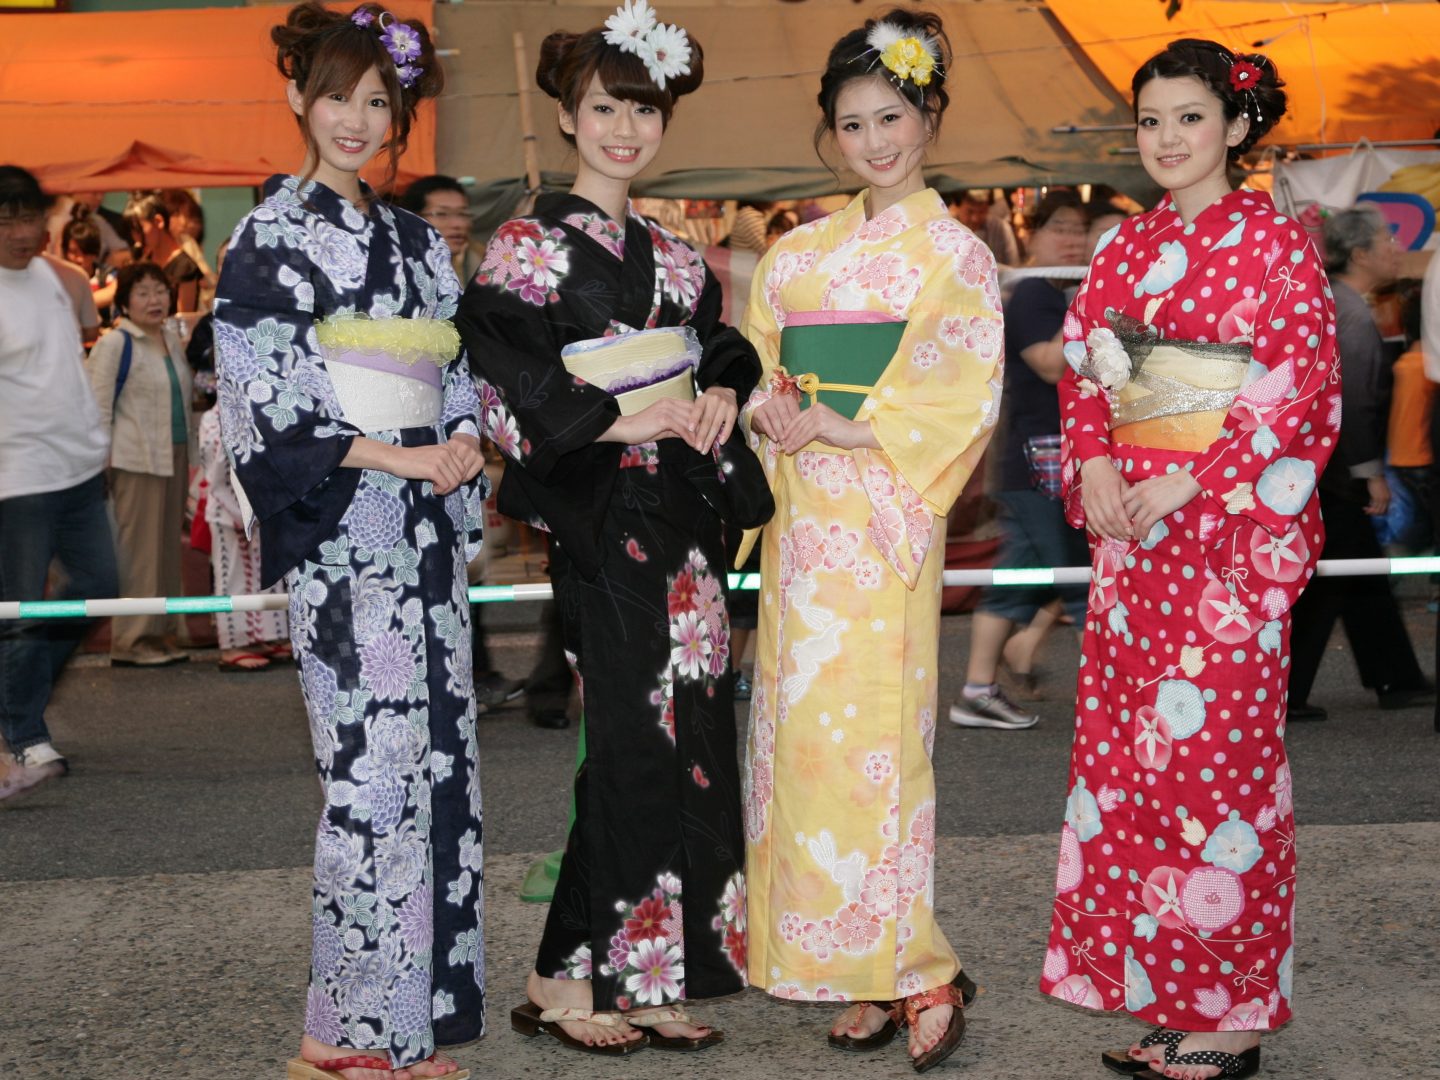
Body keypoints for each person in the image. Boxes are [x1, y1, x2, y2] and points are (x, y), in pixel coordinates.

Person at [456, 1, 772, 1055]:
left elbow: (719, 347)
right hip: (604, 521)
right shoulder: (525, 248)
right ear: (570, 114)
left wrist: (723, 393)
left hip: (684, 521)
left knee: (690, 742)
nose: (625, 131)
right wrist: (616, 416)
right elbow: (501, 378)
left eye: (643, 111)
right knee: (636, 743)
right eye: (605, 108)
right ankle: (605, 973)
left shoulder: (677, 256)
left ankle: (592, 974)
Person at [1040, 39, 1338, 1080]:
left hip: (1223, 555)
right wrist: (1097, 470)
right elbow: (1085, 377)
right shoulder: (1123, 251)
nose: (1166, 139)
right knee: (1141, 777)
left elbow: (1297, 387)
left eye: (1190, 118)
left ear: (1238, 127)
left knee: (1224, 779)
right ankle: (1176, 997)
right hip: (1136, 553)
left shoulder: (1278, 245)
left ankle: (1236, 1013)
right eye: (1151, 121)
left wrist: (1196, 478)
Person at [213, 4, 485, 1076]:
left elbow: (455, 362)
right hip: (347, 539)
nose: (357, 120)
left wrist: (459, 430)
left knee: (433, 773)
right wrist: (402, 453)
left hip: (425, 540)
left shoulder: (417, 239)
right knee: (369, 782)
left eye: (379, 102)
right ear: (297, 98)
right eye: (338, 96)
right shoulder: (266, 238)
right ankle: (339, 1034)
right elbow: (265, 401)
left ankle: (397, 1029)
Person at [740, 10, 1001, 1072]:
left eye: (891, 117)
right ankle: (858, 970)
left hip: (883, 531)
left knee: (884, 759)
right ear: (830, 137)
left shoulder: (956, 253)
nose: (874, 142)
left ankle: (920, 969)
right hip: (805, 526)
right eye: (851, 126)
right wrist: (770, 410)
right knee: (801, 760)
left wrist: (856, 422)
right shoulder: (798, 251)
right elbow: (757, 362)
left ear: (929, 113)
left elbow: (960, 389)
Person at [949, 190, 1090, 730]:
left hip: (1038, 465)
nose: (1072, 239)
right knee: (1080, 581)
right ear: (1034, 235)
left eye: (1078, 229)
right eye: (1060, 227)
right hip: (1039, 465)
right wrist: (1092, 303)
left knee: (1014, 584)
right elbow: (1052, 364)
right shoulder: (1035, 293)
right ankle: (1114, 699)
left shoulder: (1054, 293)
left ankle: (977, 692)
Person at [0, 165, 117, 803]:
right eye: (6, 221)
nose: (23, 232)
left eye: (29, 217)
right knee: (22, 610)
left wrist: (95, 444)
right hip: (16, 476)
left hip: (76, 467)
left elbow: (65, 370)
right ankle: (24, 732)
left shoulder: (48, 275)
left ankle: (13, 699)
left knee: (101, 588)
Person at [1286, 207, 1431, 719]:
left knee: (1355, 573)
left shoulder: (1341, 303)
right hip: (1334, 469)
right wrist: (1369, 474)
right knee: (1330, 577)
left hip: (1324, 466)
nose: (1396, 249)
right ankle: (1287, 692)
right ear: (1362, 253)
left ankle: (1396, 677)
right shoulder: (1347, 312)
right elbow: (1349, 404)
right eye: (1387, 240)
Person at [86, 263, 194, 669]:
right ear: (125, 302)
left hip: (175, 454)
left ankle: (164, 633)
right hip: (136, 460)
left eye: (160, 291)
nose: (155, 300)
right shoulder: (116, 343)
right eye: (143, 293)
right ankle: (133, 640)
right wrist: (99, 462)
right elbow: (97, 407)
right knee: (140, 553)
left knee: (166, 552)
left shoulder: (169, 337)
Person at [1385, 280, 1434, 551]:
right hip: (1421, 457)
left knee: (1415, 519)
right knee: (1426, 523)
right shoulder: (1428, 368)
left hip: (1399, 456)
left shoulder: (1405, 363)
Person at [123, 192, 204, 315]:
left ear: (158, 221)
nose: (137, 239)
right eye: (133, 232)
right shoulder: (140, 256)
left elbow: (184, 319)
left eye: (139, 230)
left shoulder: (184, 266)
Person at [400, 175, 480, 283]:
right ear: (411, 219)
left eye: (463, 214)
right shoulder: (398, 274)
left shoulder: (479, 265)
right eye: (441, 214)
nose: (458, 224)